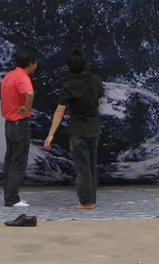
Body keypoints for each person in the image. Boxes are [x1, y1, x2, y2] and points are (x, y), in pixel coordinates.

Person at [44, 48, 104, 209]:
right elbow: (99, 103)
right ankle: (91, 198)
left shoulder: (68, 85)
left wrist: (50, 135)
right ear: (85, 63)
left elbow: (60, 111)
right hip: (94, 127)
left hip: (78, 129)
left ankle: (86, 202)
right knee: (91, 165)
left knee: (82, 167)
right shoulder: (96, 80)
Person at [0, 50, 37, 208]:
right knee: (18, 161)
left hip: (8, 123)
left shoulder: (9, 75)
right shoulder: (23, 77)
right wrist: (26, 107)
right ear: (30, 65)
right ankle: (12, 198)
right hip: (19, 123)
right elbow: (29, 93)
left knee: (10, 160)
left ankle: (8, 194)